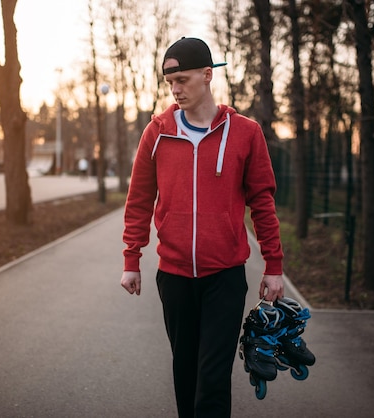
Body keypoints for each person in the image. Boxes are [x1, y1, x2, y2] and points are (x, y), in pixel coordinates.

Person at [120, 37, 284, 418]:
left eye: (183, 79)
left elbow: (262, 202)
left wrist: (273, 266)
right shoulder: (157, 133)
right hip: (174, 277)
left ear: (207, 76)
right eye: (169, 82)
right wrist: (132, 258)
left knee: (212, 379)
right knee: (185, 372)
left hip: (225, 277)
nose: (175, 89)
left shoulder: (245, 133)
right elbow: (139, 200)